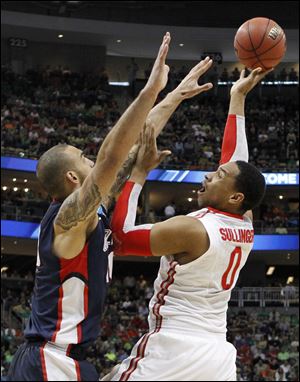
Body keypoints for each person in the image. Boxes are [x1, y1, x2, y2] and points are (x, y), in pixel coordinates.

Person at [7, 32, 172, 382]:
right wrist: (149, 90)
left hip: (66, 360)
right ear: (72, 176)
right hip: (49, 359)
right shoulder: (68, 218)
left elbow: (133, 149)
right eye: (83, 157)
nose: (91, 158)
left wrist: (176, 94)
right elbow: (112, 156)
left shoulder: (92, 210)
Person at [103, 67, 271, 381]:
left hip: (173, 348)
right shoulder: (245, 224)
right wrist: (237, 97)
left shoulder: (193, 230)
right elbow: (236, 160)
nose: (210, 174)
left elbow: (122, 237)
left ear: (234, 197)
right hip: (217, 355)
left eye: (218, 176)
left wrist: (139, 174)